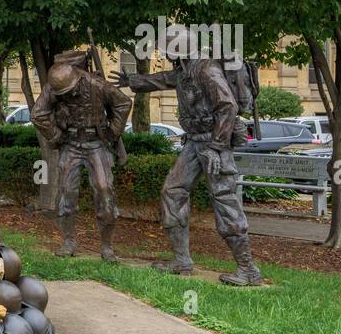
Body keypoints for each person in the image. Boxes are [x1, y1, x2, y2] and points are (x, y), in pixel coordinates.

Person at [111, 25, 263, 285]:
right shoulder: (185, 71)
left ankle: (248, 270)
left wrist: (216, 147)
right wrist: (132, 82)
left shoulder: (205, 69)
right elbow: (162, 79)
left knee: (225, 200)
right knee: (173, 191)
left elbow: (228, 107)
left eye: (168, 51)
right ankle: (181, 260)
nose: (166, 55)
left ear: (177, 51)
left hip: (214, 145)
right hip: (195, 143)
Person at [31, 51, 132, 262]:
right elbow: (38, 114)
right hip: (70, 144)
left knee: (105, 190)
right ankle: (68, 242)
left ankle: (107, 247)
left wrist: (113, 132)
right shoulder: (54, 87)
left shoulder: (97, 85)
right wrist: (56, 135)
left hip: (97, 144)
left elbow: (123, 103)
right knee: (66, 192)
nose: (66, 95)